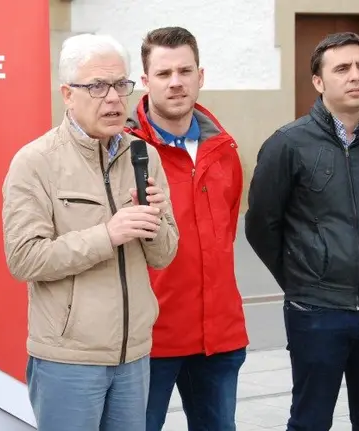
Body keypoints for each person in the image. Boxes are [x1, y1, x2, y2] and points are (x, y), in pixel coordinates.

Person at [1, 33, 180, 431]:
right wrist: (108, 234)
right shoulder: (35, 162)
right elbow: (24, 258)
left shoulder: (143, 154)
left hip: (133, 354)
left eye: (121, 84)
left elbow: (164, 254)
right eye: (98, 86)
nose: (114, 98)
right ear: (67, 94)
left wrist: (154, 224)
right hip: (69, 358)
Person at [245, 32, 359, 430]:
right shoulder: (288, 143)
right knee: (310, 421)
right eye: (342, 68)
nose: (355, 76)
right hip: (316, 311)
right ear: (318, 82)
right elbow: (261, 224)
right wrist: (302, 277)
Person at [124, 26, 249, 431]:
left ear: (201, 75)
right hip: (149, 342)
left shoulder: (224, 150)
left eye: (184, 71)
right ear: (145, 82)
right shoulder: (124, 151)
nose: (175, 82)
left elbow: (226, 232)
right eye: (163, 74)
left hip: (219, 340)